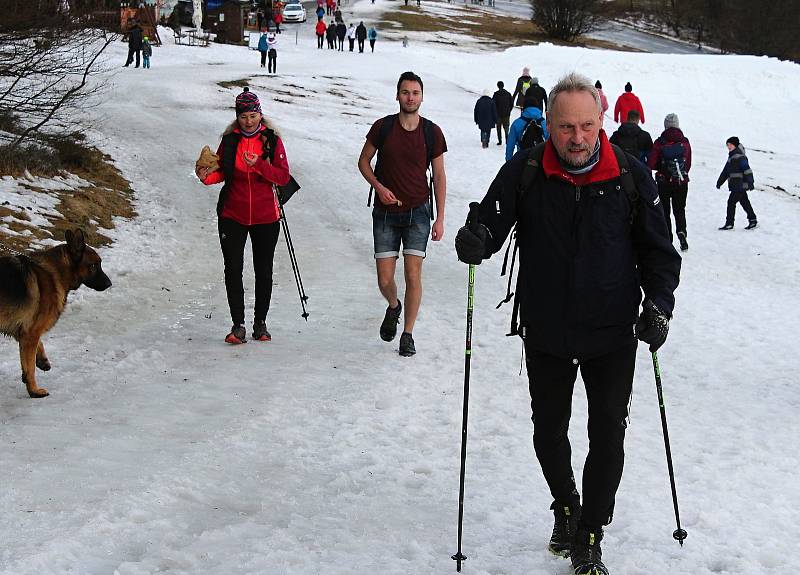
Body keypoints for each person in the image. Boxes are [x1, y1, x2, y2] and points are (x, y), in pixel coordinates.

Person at [454, 72, 681, 575]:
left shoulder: (629, 175)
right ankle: (565, 505)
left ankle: (590, 533)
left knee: (608, 435)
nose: (576, 138)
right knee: (548, 431)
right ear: (549, 125)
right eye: (565, 127)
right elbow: (492, 220)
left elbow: (660, 255)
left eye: (585, 126)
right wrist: (476, 238)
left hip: (612, 329)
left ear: (602, 121)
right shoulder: (528, 169)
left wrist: (659, 306)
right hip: (548, 326)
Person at [357, 71, 447, 357]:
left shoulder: (431, 132)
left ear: (422, 96)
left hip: (418, 213)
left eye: (415, 93)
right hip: (385, 213)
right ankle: (393, 306)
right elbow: (363, 162)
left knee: (413, 275)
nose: (410, 97)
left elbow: (440, 176)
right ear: (397, 95)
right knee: (385, 280)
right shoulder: (383, 127)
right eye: (406, 92)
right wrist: (379, 187)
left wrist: (440, 217)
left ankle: (407, 334)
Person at [195, 88, 291, 344]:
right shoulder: (229, 140)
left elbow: (282, 176)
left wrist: (258, 164)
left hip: (266, 215)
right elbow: (222, 172)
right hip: (232, 214)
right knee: (233, 269)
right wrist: (206, 177)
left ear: (260, 114)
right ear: (237, 117)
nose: (249, 121)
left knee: (264, 270)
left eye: (253, 115)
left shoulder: (271, 139)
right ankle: (238, 325)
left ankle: (260, 323)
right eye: (243, 116)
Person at [648, 113, 692, 251]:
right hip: (681, 182)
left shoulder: (660, 142)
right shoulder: (684, 142)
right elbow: (688, 163)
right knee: (680, 210)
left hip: (664, 182)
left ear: (665, 125)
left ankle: (668, 238)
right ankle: (682, 232)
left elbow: (651, 163)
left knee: (665, 211)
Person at [716, 136, 757, 230]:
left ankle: (729, 223)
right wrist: (720, 182)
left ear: (735, 145)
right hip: (735, 186)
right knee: (744, 202)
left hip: (740, 185)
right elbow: (725, 172)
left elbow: (747, 170)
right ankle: (753, 220)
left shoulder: (740, 157)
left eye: (730, 144)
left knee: (731, 202)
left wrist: (750, 182)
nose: (729, 147)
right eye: (727, 145)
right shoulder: (731, 158)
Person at [505, 93, 548, 161]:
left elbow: (510, 146)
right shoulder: (545, 123)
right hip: (541, 161)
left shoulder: (516, 123)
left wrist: (509, 163)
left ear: (524, 107)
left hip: (522, 160)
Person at [492, 80, 513, 146]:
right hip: (506, 114)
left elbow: (493, 104)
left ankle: (500, 141)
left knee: (498, 128)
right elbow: (511, 104)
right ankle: (507, 141)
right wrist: (509, 110)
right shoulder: (508, 94)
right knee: (506, 128)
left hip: (498, 114)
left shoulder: (496, 94)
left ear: (498, 86)